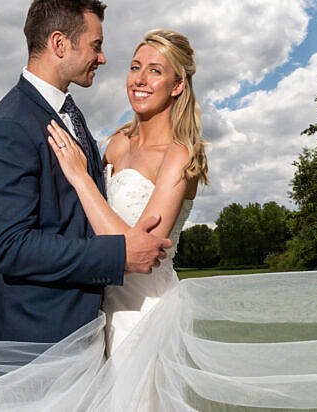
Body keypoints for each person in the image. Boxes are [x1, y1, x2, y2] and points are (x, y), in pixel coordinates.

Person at [0, 0, 172, 346]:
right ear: (60, 44)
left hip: (91, 327)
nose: (103, 57)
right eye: (96, 45)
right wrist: (119, 252)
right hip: (41, 337)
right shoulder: (9, 126)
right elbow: (10, 247)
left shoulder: (66, 112)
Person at [46, 29, 207, 404]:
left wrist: (79, 175)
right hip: (95, 309)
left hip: (145, 314)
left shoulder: (180, 156)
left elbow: (140, 253)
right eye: (135, 67)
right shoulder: (116, 143)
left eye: (155, 71)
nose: (139, 79)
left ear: (178, 86)